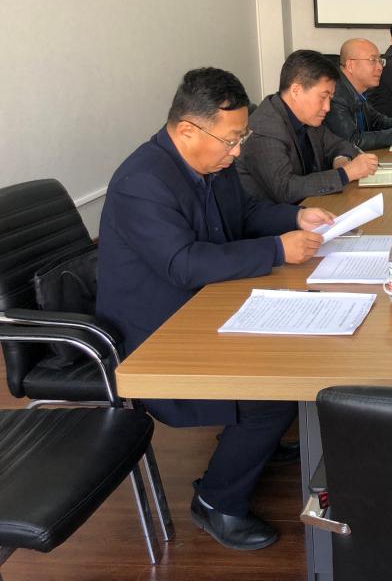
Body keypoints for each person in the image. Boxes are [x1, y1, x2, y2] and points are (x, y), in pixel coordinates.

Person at [96, 68, 334, 550]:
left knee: (298, 348)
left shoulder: (212, 163)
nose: (237, 151)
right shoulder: (142, 181)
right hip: (157, 330)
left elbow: (243, 214)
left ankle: (254, 441)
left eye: (241, 138)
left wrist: (295, 216)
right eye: (231, 140)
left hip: (206, 303)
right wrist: (277, 249)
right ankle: (216, 501)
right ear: (188, 130)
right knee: (270, 394)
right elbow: (183, 264)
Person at [237, 49, 379, 204]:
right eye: (323, 97)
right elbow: (286, 190)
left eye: (330, 98)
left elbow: (339, 144)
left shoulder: (306, 117)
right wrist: (345, 174)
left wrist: (341, 160)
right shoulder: (266, 129)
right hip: (277, 216)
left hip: (312, 206)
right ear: (296, 91)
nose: (327, 107)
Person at [325, 38, 392, 150]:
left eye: (380, 61)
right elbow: (351, 141)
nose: (380, 67)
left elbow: (376, 120)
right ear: (350, 65)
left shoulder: (358, 90)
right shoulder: (335, 94)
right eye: (372, 60)